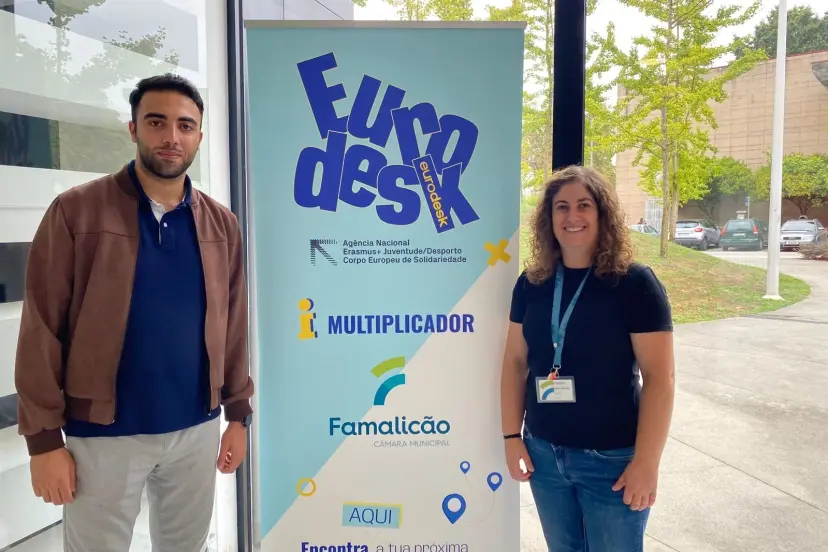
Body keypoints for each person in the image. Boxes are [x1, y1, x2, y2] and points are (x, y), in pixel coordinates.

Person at [14, 73, 255, 552]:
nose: (172, 137)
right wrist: (44, 442)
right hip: (104, 434)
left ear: (199, 136)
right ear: (133, 129)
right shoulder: (76, 212)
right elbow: (40, 328)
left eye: (185, 126)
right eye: (156, 122)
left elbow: (233, 327)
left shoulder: (221, 224)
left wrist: (238, 414)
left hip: (196, 429)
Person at [500, 166, 675, 552]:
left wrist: (647, 463)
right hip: (544, 454)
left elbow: (660, 378)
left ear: (602, 214)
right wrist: (512, 438)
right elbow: (515, 362)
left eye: (584, 205)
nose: (572, 216)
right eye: (561, 207)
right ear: (549, 218)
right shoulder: (531, 284)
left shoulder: (634, 284)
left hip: (611, 461)